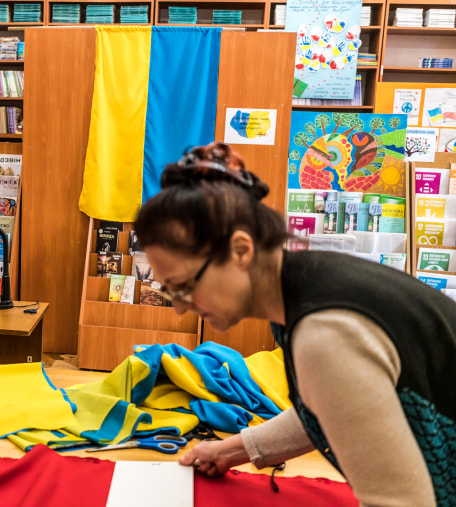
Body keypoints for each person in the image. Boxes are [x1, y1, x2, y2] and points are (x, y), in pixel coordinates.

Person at [133, 141, 456, 506]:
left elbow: (401, 501)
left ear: (241, 251)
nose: (179, 308)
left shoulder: (324, 333)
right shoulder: (304, 285)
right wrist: (233, 450)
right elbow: (339, 405)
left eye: (185, 287)